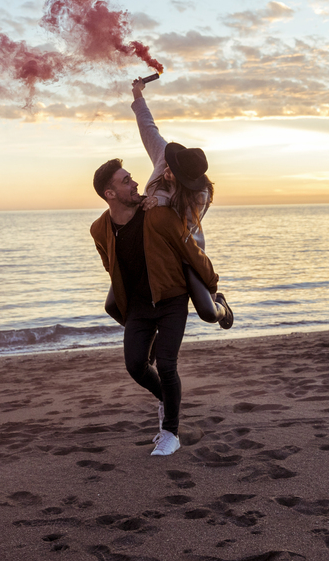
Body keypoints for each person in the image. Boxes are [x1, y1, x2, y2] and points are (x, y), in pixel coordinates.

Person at [90, 158, 221, 456]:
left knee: (166, 364)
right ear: (110, 194)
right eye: (126, 181)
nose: (135, 182)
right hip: (137, 305)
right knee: (135, 365)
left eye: (131, 178)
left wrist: (212, 285)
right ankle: (167, 401)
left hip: (171, 298)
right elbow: (110, 266)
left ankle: (170, 433)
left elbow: (191, 251)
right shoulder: (99, 229)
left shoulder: (158, 216)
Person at [131, 78, 232, 328]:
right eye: (170, 167)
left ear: (188, 182)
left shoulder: (200, 195)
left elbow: (177, 226)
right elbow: (148, 128)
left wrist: (158, 200)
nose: (168, 172)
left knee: (207, 312)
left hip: (186, 249)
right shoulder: (163, 157)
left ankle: (222, 305)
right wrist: (137, 96)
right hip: (154, 247)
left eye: (175, 174)